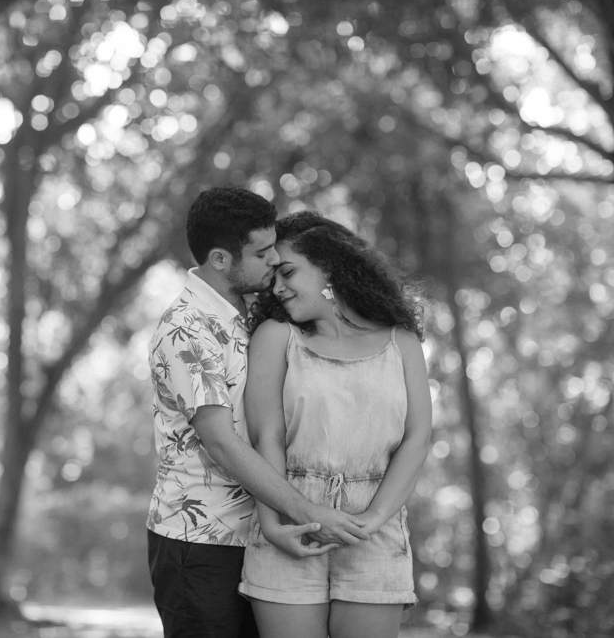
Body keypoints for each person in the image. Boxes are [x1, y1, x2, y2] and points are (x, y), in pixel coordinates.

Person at [147, 190, 371, 638]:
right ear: (220, 259)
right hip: (202, 543)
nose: (274, 259)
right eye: (262, 252)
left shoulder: (253, 313)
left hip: (261, 535)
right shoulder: (186, 330)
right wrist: (306, 511)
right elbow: (221, 442)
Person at [238, 211, 432, 638]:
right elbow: (265, 437)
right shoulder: (276, 336)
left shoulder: (401, 342)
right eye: (273, 278)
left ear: (329, 266)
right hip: (290, 520)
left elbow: (418, 438)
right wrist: (275, 523)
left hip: (375, 529)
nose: (277, 287)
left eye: (288, 272)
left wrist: (373, 518)